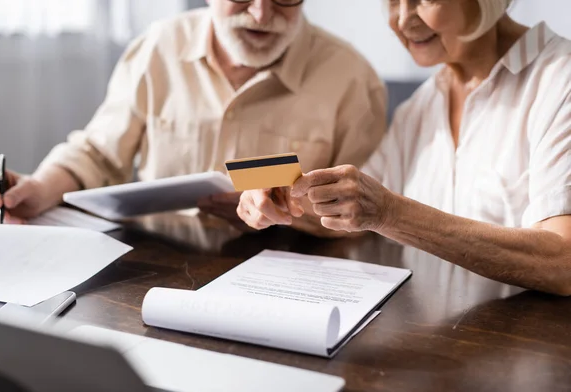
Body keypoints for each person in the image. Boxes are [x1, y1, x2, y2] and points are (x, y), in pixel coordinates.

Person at [237, 0, 571, 295]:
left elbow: (563, 262)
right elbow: (355, 211)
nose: (403, 19)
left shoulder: (560, 79)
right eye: (393, 1)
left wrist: (390, 213)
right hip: (439, 345)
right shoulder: (420, 107)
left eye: (424, 0)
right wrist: (282, 196)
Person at [0, 0, 386, 234]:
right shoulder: (158, 46)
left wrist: (285, 207)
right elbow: (99, 151)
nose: (261, 14)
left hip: (294, 275)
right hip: (154, 262)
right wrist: (40, 187)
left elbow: (367, 208)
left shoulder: (354, 80)